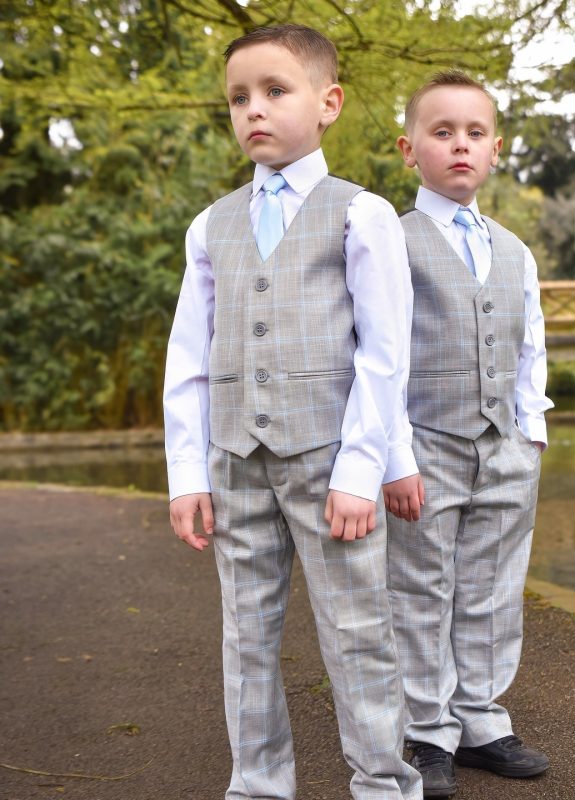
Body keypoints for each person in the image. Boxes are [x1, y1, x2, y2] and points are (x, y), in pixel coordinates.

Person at [163, 24, 422, 800]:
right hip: (235, 462)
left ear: (328, 102)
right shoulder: (211, 225)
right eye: (238, 97)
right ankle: (257, 784)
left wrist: (362, 469)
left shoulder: (361, 214)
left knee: (357, 631)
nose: (254, 109)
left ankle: (384, 783)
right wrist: (187, 473)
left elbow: (385, 354)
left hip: (328, 463)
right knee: (246, 635)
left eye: (275, 91)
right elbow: (189, 356)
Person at [382, 70, 554, 798]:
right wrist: (392, 454)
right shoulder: (390, 240)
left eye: (474, 133)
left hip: (503, 447)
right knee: (422, 588)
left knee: (493, 587)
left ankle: (481, 720)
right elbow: (378, 355)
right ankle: (429, 732)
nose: (460, 145)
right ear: (409, 149)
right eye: (442, 132)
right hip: (426, 442)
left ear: (496, 150)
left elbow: (529, 346)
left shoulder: (514, 250)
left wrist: (529, 433)